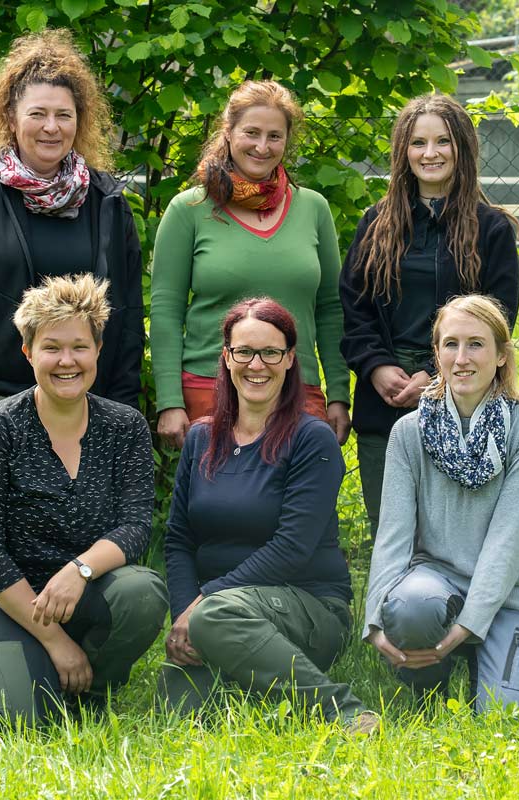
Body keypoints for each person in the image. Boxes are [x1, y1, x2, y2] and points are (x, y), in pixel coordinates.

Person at [0, 274, 167, 729]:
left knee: (141, 592)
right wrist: (55, 642)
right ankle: (5, 669)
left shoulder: (125, 427)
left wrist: (78, 570)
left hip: (76, 594)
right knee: (16, 722)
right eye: (51, 347)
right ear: (28, 352)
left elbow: (137, 525)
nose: (67, 361)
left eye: (80, 346)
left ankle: (92, 687)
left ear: (98, 350)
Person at [0, 28, 143, 464]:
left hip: (82, 402)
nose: (51, 127)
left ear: (80, 120)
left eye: (64, 115)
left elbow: (128, 305)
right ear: (10, 117)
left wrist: (123, 397)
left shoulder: (106, 201)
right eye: (37, 114)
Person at [159, 297, 370, 728]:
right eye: (244, 352)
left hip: (308, 606)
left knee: (216, 618)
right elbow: (179, 539)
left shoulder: (312, 440)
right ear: (226, 357)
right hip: (216, 612)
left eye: (271, 352)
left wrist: (204, 602)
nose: (257, 365)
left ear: (290, 359)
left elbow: (291, 548)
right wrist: (183, 614)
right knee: (180, 708)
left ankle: (341, 712)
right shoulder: (201, 438)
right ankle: (249, 674)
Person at [364, 295, 519, 718]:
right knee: (411, 610)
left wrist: (469, 624)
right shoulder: (408, 432)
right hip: (437, 584)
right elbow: (393, 537)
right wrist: (375, 621)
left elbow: (508, 542)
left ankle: (507, 645)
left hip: (510, 595)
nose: (462, 358)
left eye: (476, 344)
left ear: (501, 355)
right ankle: (431, 676)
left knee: (506, 713)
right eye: (450, 344)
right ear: (436, 354)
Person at [340, 93, 519, 535]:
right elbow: (354, 309)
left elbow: (498, 319)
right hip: (384, 398)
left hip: (461, 396)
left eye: (442, 141)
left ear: (462, 148)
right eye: (418, 143)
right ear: (404, 151)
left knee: (453, 533)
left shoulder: (491, 229)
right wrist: (376, 367)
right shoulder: (376, 224)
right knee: (391, 531)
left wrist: (435, 375)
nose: (430, 153)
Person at [150, 80, 350, 449]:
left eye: (275, 136)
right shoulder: (189, 209)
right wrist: (169, 401)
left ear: (287, 141)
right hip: (211, 389)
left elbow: (330, 308)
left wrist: (338, 393)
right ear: (228, 132)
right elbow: (165, 309)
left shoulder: (314, 208)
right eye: (251, 133)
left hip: (297, 390)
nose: (262, 146)